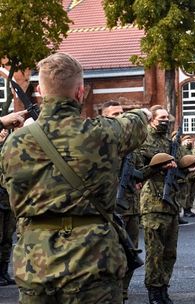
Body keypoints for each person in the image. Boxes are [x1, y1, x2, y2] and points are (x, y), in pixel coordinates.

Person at [0, 52, 151, 303]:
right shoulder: (103, 133)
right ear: (81, 93)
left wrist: (3, 123)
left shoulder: (14, 143)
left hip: (35, 260)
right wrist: (143, 113)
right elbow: (137, 121)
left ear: (39, 90)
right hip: (92, 260)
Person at [138, 105, 180, 304]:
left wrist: (189, 166)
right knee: (155, 252)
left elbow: (180, 167)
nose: (164, 120)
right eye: (161, 117)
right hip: (152, 204)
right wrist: (156, 166)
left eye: (167, 117)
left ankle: (164, 287)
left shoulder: (170, 143)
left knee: (169, 252)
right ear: (152, 119)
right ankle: (154, 291)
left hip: (171, 203)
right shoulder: (143, 140)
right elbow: (138, 173)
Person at [101, 100, 142, 301]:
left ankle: (123, 292)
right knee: (111, 255)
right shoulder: (100, 146)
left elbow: (141, 173)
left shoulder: (132, 147)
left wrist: (155, 169)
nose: (121, 117)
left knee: (131, 253)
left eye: (122, 113)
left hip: (132, 208)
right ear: (105, 118)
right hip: (110, 210)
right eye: (116, 114)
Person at [0, 129, 15, 286]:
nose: (3, 132)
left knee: (7, 239)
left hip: (8, 201)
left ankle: (4, 272)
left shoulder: (9, 148)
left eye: (5, 130)